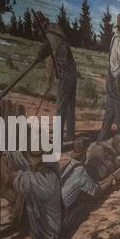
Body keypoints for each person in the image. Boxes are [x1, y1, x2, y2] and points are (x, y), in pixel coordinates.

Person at [32, 11, 77, 146]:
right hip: (72, 70)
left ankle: (57, 139)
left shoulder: (50, 36)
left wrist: (48, 81)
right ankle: (70, 135)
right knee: (69, 106)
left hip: (64, 72)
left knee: (60, 107)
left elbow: (50, 60)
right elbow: (48, 51)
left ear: (41, 26)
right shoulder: (56, 30)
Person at [96, 12, 120, 142]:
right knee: (119, 113)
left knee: (110, 111)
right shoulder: (118, 41)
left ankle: (100, 140)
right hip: (114, 79)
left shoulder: (114, 39)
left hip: (111, 78)